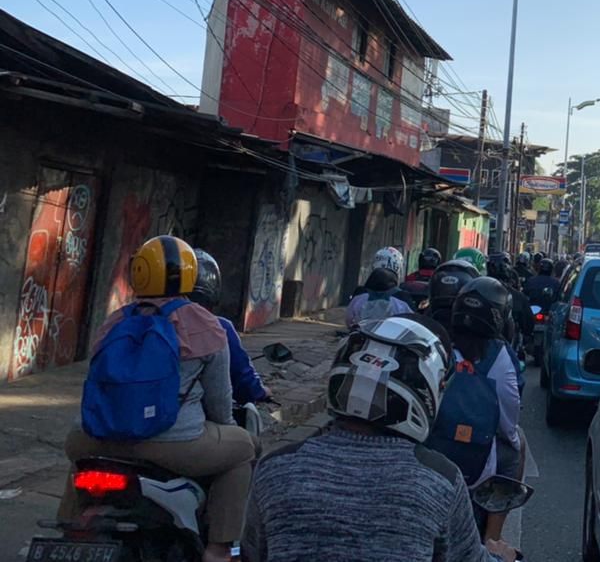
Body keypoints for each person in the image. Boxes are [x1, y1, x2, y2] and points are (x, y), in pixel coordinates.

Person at [241, 316, 516, 562]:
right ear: (428, 389)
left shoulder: (275, 468)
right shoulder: (440, 481)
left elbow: (253, 552)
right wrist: (500, 556)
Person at [60, 236, 255, 562]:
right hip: (172, 445)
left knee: (78, 460)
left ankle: (66, 528)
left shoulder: (115, 321)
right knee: (243, 450)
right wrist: (227, 428)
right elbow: (221, 407)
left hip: (95, 437)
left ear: (139, 272)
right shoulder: (205, 325)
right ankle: (220, 549)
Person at [432, 277, 523, 544]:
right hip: (478, 464)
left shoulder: (439, 343)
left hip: (430, 445)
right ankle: (492, 539)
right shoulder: (502, 358)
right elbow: (508, 425)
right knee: (517, 449)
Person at [190, 249, 270, 407]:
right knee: (240, 433)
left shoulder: (132, 319)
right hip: (183, 424)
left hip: (132, 419)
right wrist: (261, 392)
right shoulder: (218, 327)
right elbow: (241, 383)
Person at [346, 267, 413, 329]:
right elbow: (411, 323)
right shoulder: (400, 304)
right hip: (390, 339)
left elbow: (349, 320)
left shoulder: (358, 299)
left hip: (362, 337)